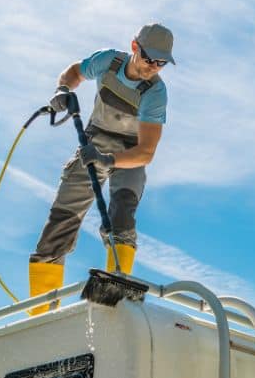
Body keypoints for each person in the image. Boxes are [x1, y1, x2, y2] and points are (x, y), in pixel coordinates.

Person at [28, 23, 174, 315]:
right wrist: (62, 89)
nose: (153, 68)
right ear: (135, 47)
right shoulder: (108, 62)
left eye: (161, 63)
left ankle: (115, 290)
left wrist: (109, 160)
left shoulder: (155, 93)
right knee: (62, 219)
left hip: (129, 153)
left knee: (122, 211)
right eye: (149, 59)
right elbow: (74, 72)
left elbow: (145, 152)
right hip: (94, 141)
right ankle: (40, 311)